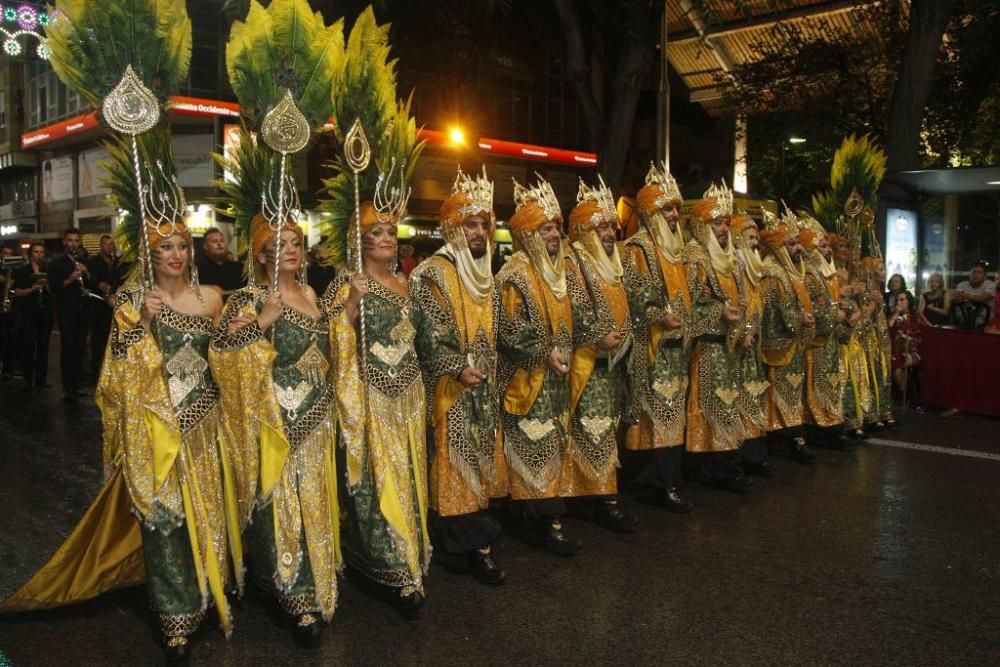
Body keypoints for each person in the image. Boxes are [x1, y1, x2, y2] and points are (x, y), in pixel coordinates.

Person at [1, 197, 242, 665]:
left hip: (203, 422)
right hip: (155, 425)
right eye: (164, 247)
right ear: (150, 255)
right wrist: (145, 324)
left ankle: (205, 594)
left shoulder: (211, 296)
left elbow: (228, 357)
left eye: (181, 246)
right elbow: (114, 372)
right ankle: (174, 614)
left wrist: (256, 325)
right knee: (163, 515)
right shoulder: (134, 301)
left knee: (204, 511)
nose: (174, 254)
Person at [211, 133, 341, 643]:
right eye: (280, 244)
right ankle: (294, 595)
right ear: (261, 253)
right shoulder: (244, 297)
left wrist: (347, 312)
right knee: (282, 507)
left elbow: (333, 346)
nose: (291, 250)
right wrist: (261, 322)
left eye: (296, 242)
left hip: (319, 416)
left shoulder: (312, 291)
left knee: (315, 501)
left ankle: (318, 578)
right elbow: (223, 352)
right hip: (277, 421)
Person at [326, 200, 430, 614]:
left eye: (390, 232)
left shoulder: (407, 284)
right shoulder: (346, 283)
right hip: (369, 394)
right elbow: (331, 338)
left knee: (407, 475)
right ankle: (390, 565)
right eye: (376, 233)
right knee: (376, 478)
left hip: (409, 394)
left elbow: (418, 339)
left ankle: (411, 555)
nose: (386, 239)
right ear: (360, 240)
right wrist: (351, 304)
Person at [410, 168, 509, 584]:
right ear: (453, 227)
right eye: (471, 223)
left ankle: (471, 539)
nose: (480, 231)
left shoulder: (485, 272)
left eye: (484, 223)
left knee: (480, 461)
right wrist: (455, 365)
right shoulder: (433, 272)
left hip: (484, 386)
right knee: (454, 463)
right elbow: (431, 331)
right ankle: (470, 546)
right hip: (450, 387)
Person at [496, 176, 581, 555]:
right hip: (528, 378)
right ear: (529, 233)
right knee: (532, 444)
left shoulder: (559, 271)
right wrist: (545, 352)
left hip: (557, 379)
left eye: (557, 227)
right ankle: (542, 519)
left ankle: (541, 514)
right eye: (546, 228)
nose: (554, 234)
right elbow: (511, 328)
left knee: (551, 443)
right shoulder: (515, 274)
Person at [563, 177, 639, 529]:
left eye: (612, 226)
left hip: (614, 363)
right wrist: (596, 336)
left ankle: (600, 495)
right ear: (582, 230)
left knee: (605, 430)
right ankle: (597, 498)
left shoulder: (614, 263)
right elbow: (573, 309)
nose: (610, 233)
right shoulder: (573, 262)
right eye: (602, 227)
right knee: (589, 431)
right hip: (588, 362)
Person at [622, 163, 693, 512]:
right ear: (651, 211)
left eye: (677, 208)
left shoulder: (676, 251)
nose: (675, 214)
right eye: (668, 208)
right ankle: (658, 482)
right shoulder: (639, 248)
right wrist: (658, 315)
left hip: (676, 348)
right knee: (655, 416)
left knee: (670, 416)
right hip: (651, 345)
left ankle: (664, 480)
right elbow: (636, 296)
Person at [683, 183, 754, 492]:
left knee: (728, 405)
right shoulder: (696, 257)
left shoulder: (730, 259)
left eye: (725, 222)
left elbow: (742, 299)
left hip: (730, 349)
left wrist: (743, 329)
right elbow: (688, 307)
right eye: (716, 223)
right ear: (702, 225)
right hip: (707, 350)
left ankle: (726, 465)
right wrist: (718, 315)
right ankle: (713, 468)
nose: (723, 229)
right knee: (711, 406)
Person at [758, 213, 817, 464]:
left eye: (797, 243)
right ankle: (786, 440)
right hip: (781, 345)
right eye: (792, 244)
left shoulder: (792, 271)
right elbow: (771, 310)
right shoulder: (772, 273)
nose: (798, 248)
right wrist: (798, 319)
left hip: (794, 344)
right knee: (779, 394)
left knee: (792, 393)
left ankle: (792, 439)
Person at [730, 214, 775, 476]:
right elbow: (740, 304)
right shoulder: (736, 266)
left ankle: (754, 455)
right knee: (740, 399)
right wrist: (744, 331)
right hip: (738, 346)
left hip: (753, 346)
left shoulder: (754, 268)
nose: (755, 242)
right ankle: (742, 456)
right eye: (750, 237)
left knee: (754, 398)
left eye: (757, 237)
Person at [46, 228, 90, 401]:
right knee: (68, 348)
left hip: (82, 310)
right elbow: (54, 288)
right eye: (70, 240)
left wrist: (85, 272)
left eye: (76, 241)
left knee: (80, 349)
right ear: (64, 242)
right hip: (66, 311)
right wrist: (71, 278)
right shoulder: (57, 263)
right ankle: (67, 387)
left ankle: (77, 384)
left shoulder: (83, 261)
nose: (73, 244)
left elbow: (91, 284)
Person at [12, 242, 53, 391]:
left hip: (45, 311)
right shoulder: (23, 270)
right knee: (29, 345)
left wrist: (47, 285)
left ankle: (41, 378)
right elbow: (16, 291)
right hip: (29, 311)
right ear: (31, 254)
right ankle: (28, 379)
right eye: (36, 252)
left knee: (43, 346)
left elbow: (55, 290)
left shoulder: (48, 270)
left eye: (42, 252)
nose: (39, 255)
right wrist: (31, 289)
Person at [86, 234, 118, 378]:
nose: (109, 247)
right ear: (101, 245)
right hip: (97, 304)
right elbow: (88, 279)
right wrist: (98, 284)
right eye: (106, 244)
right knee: (98, 338)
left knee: (111, 337)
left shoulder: (117, 262)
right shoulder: (93, 261)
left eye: (111, 244)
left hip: (112, 304)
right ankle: (95, 368)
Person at [887, 290, 921, 406]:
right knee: (894, 360)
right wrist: (897, 312)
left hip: (912, 349)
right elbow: (890, 326)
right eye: (897, 300)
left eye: (902, 300)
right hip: (895, 350)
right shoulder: (894, 316)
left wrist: (907, 338)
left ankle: (907, 395)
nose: (899, 302)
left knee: (903, 359)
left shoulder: (915, 317)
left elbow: (918, 335)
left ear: (908, 301)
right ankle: (904, 392)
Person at [196, 228, 244, 299]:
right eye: (214, 241)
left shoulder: (238, 267)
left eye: (222, 240)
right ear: (205, 246)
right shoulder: (197, 267)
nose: (219, 244)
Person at [951, 262, 995, 329]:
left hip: (985, 324)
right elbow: (957, 299)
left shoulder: (990, 284)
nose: (975, 275)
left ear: (985, 275)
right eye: (973, 272)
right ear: (970, 274)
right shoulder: (962, 284)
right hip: (961, 323)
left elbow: (983, 298)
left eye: (979, 272)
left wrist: (966, 296)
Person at [0, 243, 20, 379]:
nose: (7, 256)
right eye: (5, 253)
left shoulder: (15, 270)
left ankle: (9, 367)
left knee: (11, 338)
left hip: (12, 307)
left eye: (10, 254)